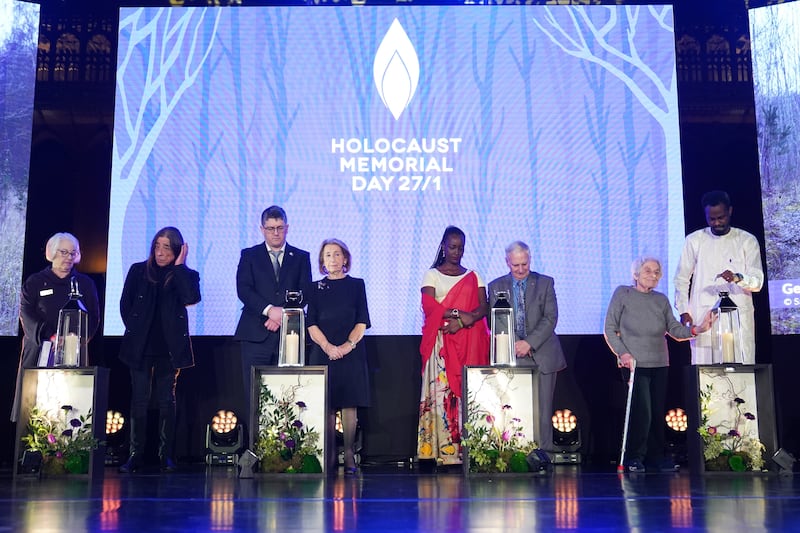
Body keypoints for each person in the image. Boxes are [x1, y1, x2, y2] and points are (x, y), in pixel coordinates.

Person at [605, 257, 713, 473]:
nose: (653, 275)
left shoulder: (660, 300)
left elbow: (674, 329)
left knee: (656, 412)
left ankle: (656, 457)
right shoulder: (622, 294)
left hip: (659, 362)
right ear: (635, 274)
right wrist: (623, 353)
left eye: (657, 272)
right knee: (641, 412)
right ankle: (634, 457)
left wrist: (697, 329)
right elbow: (609, 328)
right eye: (647, 271)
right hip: (635, 364)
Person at [118, 227, 201, 473]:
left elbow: (191, 298)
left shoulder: (184, 275)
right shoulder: (137, 271)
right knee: (139, 400)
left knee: (167, 400)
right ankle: (135, 454)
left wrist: (180, 266)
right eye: (157, 246)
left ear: (176, 251)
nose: (160, 252)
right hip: (140, 347)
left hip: (169, 348)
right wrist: (135, 328)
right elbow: (125, 304)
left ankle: (166, 455)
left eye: (167, 247)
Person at [418, 226, 489, 466]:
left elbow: (482, 308)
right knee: (441, 395)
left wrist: (462, 322)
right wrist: (460, 314)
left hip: (467, 343)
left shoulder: (474, 275)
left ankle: (466, 451)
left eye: (460, 248)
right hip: (440, 344)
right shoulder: (432, 275)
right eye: (452, 247)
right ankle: (440, 452)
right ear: (443, 247)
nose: (456, 252)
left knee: (465, 394)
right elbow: (429, 306)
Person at [488, 241, 566, 454]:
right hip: (511, 354)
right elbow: (494, 320)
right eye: (516, 265)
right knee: (514, 406)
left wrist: (529, 342)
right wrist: (513, 343)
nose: (521, 269)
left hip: (543, 354)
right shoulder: (496, 287)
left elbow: (551, 318)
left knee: (542, 410)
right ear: (507, 262)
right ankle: (516, 453)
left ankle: (544, 455)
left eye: (525, 264)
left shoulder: (545, 283)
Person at [13, 232, 100, 421]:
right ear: (51, 252)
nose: (68, 258)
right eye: (63, 252)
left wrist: (76, 341)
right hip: (40, 350)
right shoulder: (35, 282)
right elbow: (26, 314)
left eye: (72, 253)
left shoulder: (85, 284)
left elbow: (93, 318)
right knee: (34, 405)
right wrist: (51, 336)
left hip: (72, 352)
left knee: (69, 405)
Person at [233, 206, 312, 416]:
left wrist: (282, 316)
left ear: (287, 227)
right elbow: (244, 289)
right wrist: (269, 310)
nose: (275, 233)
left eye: (279, 228)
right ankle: (255, 447)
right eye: (270, 228)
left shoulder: (301, 257)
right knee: (254, 394)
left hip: (289, 336)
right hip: (254, 335)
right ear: (262, 229)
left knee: (288, 392)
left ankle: (287, 446)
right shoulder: (249, 255)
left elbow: (305, 292)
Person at [674, 190, 764, 365]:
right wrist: (684, 310)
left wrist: (738, 277)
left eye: (721, 217)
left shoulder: (747, 240)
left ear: (730, 211)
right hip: (704, 314)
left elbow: (757, 282)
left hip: (738, 315)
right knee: (706, 369)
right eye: (712, 219)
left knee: (741, 366)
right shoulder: (694, 240)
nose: (717, 223)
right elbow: (681, 278)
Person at [306, 239, 371, 475]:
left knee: (349, 402)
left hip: (350, 353)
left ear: (345, 259)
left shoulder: (356, 285)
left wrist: (346, 346)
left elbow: (362, 320)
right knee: (326, 403)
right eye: (327, 255)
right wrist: (327, 347)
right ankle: (329, 453)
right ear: (322, 261)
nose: (332, 259)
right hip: (323, 352)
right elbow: (311, 322)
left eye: (336, 254)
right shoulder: (314, 288)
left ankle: (350, 453)